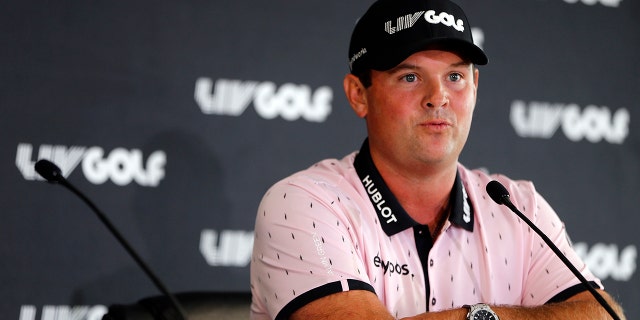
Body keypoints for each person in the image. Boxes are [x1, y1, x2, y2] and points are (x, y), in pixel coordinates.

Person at [249, 0, 626, 319]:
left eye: (455, 77)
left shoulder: (519, 207)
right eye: (410, 77)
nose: (438, 97)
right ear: (358, 95)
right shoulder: (303, 204)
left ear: (475, 89)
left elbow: (599, 314)